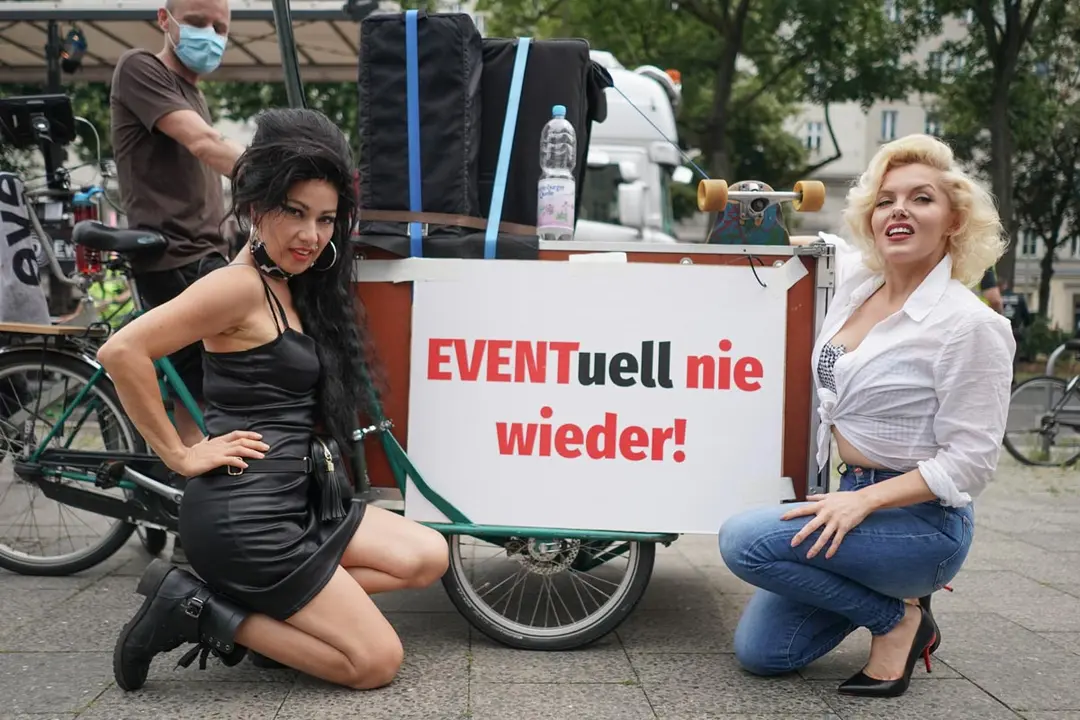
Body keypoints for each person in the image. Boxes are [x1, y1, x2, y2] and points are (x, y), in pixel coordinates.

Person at [100, 108, 449, 692]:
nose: (312, 235)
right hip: (249, 520)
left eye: (325, 218)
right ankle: (197, 608)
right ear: (258, 209)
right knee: (375, 663)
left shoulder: (291, 281)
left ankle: (281, 611)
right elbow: (123, 352)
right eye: (294, 213)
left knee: (427, 555)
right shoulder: (236, 286)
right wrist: (180, 456)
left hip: (298, 503)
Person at [717, 134, 1015, 698]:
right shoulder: (858, 282)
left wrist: (865, 500)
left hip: (919, 523)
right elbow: (799, 244)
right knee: (765, 654)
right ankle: (894, 605)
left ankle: (897, 620)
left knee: (742, 541)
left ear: (954, 221)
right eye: (885, 200)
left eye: (921, 198)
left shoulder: (970, 326)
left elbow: (971, 464)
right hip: (846, 498)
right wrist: (750, 210)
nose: (899, 209)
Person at [110, 0, 246, 563]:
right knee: (207, 393)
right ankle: (203, 536)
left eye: (220, 27)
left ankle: (201, 517)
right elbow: (206, 146)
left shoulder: (192, 87)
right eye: (197, 21)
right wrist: (291, 175)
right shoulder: (142, 68)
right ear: (164, 17)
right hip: (170, 259)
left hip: (203, 254)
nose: (209, 35)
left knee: (211, 385)